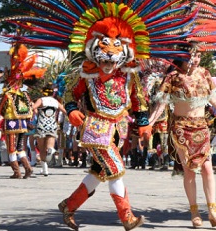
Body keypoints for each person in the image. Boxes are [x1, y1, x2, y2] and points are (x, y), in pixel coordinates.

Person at [59, 17, 152, 230]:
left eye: (116, 48)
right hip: (95, 129)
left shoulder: (129, 75)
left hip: (119, 129)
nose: (109, 55)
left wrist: (144, 122)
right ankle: (126, 216)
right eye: (104, 49)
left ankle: (68, 205)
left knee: (99, 173)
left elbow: (139, 100)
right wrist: (72, 110)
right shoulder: (87, 73)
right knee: (116, 169)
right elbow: (69, 94)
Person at [149, 50, 216, 228]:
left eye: (198, 55)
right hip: (181, 128)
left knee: (207, 168)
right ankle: (194, 213)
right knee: (190, 170)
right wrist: (150, 122)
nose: (196, 60)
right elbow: (162, 103)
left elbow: (213, 99)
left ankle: (213, 212)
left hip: (201, 127)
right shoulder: (173, 76)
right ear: (182, 57)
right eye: (192, 56)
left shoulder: (204, 73)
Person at [0, 44, 45, 179]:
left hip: (11, 124)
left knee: (11, 148)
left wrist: (3, 115)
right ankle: (28, 168)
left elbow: (0, 110)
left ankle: (17, 172)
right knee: (21, 147)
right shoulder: (24, 94)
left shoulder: (8, 94)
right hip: (23, 125)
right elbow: (30, 109)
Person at [32, 85, 66, 175]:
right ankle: (51, 150)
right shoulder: (55, 101)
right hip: (52, 125)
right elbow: (64, 110)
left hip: (41, 125)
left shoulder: (41, 100)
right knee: (49, 147)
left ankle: (45, 169)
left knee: (42, 148)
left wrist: (34, 110)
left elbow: (33, 108)